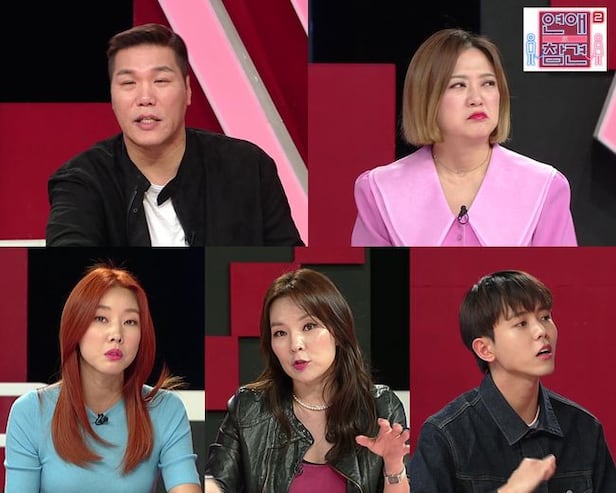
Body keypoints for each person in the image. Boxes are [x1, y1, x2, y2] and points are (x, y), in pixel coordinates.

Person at [46, 23, 303, 247]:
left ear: (188, 90)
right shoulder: (82, 180)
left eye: (160, 81)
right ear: (112, 97)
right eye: (128, 83)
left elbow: (289, 264)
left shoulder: (248, 168)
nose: (145, 98)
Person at [351, 28, 577, 246]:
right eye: (458, 85)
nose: (477, 98)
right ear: (426, 97)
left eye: (488, 83)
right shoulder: (379, 191)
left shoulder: (544, 187)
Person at [204, 268, 410, 492]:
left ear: (338, 331)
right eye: (280, 333)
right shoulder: (249, 408)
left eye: (309, 326)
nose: (295, 345)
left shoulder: (381, 407)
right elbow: (217, 480)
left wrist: (393, 465)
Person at [409, 270, 616, 492]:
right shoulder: (445, 437)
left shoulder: (584, 428)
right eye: (521, 323)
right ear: (485, 349)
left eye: (545, 317)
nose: (541, 331)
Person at [4, 264, 202, 493]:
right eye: (101, 318)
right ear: (75, 326)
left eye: (130, 322)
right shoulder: (30, 412)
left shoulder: (165, 409)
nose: (116, 334)